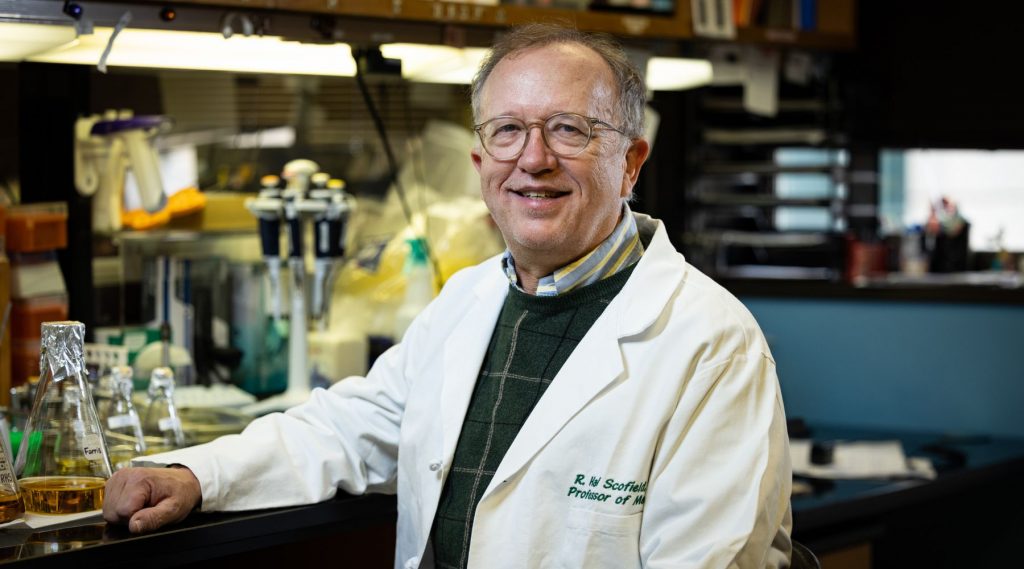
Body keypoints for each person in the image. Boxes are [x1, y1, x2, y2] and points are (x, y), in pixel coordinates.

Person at [104, 23, 793, 568]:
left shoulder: (711, 345)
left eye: (569, 129)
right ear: (480, 164)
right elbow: (350, 427)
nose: (533, 159)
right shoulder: (467, 300)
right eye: (508, 131)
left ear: (631, 163)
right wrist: (195, 473)